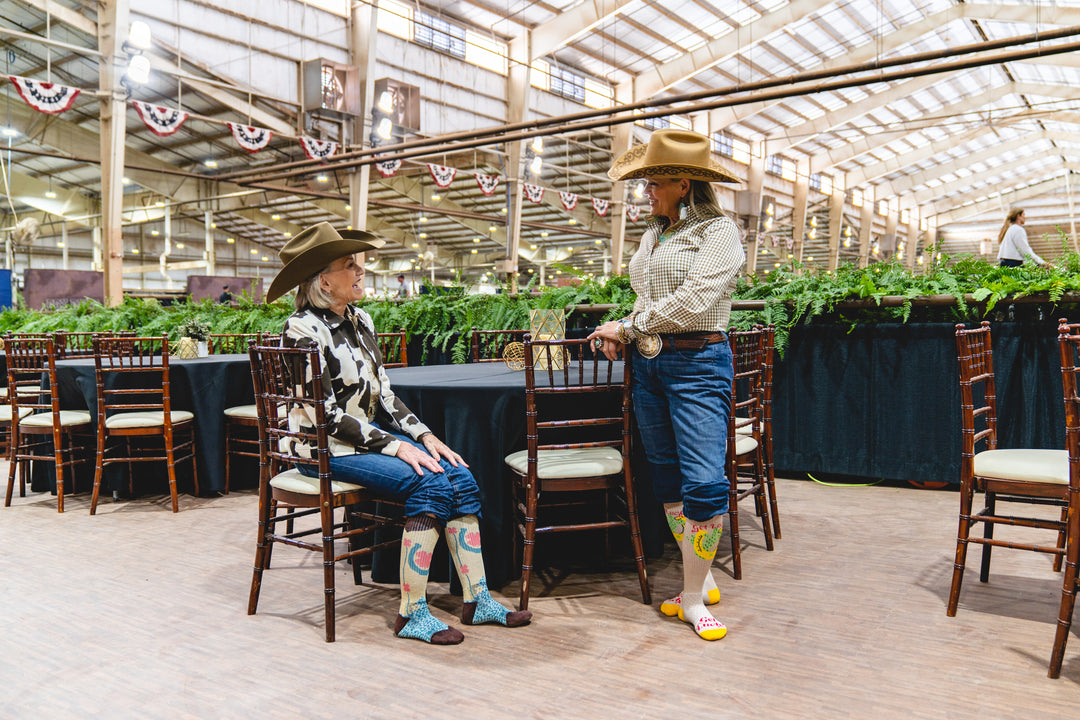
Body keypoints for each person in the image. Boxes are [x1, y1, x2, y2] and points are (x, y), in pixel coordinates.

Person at [265, 222, 531, 644]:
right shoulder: (301, 331)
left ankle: (478, 600)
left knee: (458, 474)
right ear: (323, 280)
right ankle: (411, 613)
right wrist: (395, 447)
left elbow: (386, 397)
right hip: (322, 450)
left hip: (362, 442)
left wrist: (425, 437)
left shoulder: (361, 319)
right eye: (350, 265)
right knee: (431, 486)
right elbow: (324, 416)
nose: (360, 271)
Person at [587, 129, 744, 641]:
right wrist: (624, 330)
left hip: (698, 362)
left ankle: (693, 595)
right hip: (651, 367)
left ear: (683, 182)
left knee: (704, 481)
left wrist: (631, 328)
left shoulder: (719, 231)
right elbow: (649, 295)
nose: (646, 192)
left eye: (653, 183)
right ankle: (699, 578)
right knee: (669, 478)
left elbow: (696, 299)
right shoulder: (654, 233)